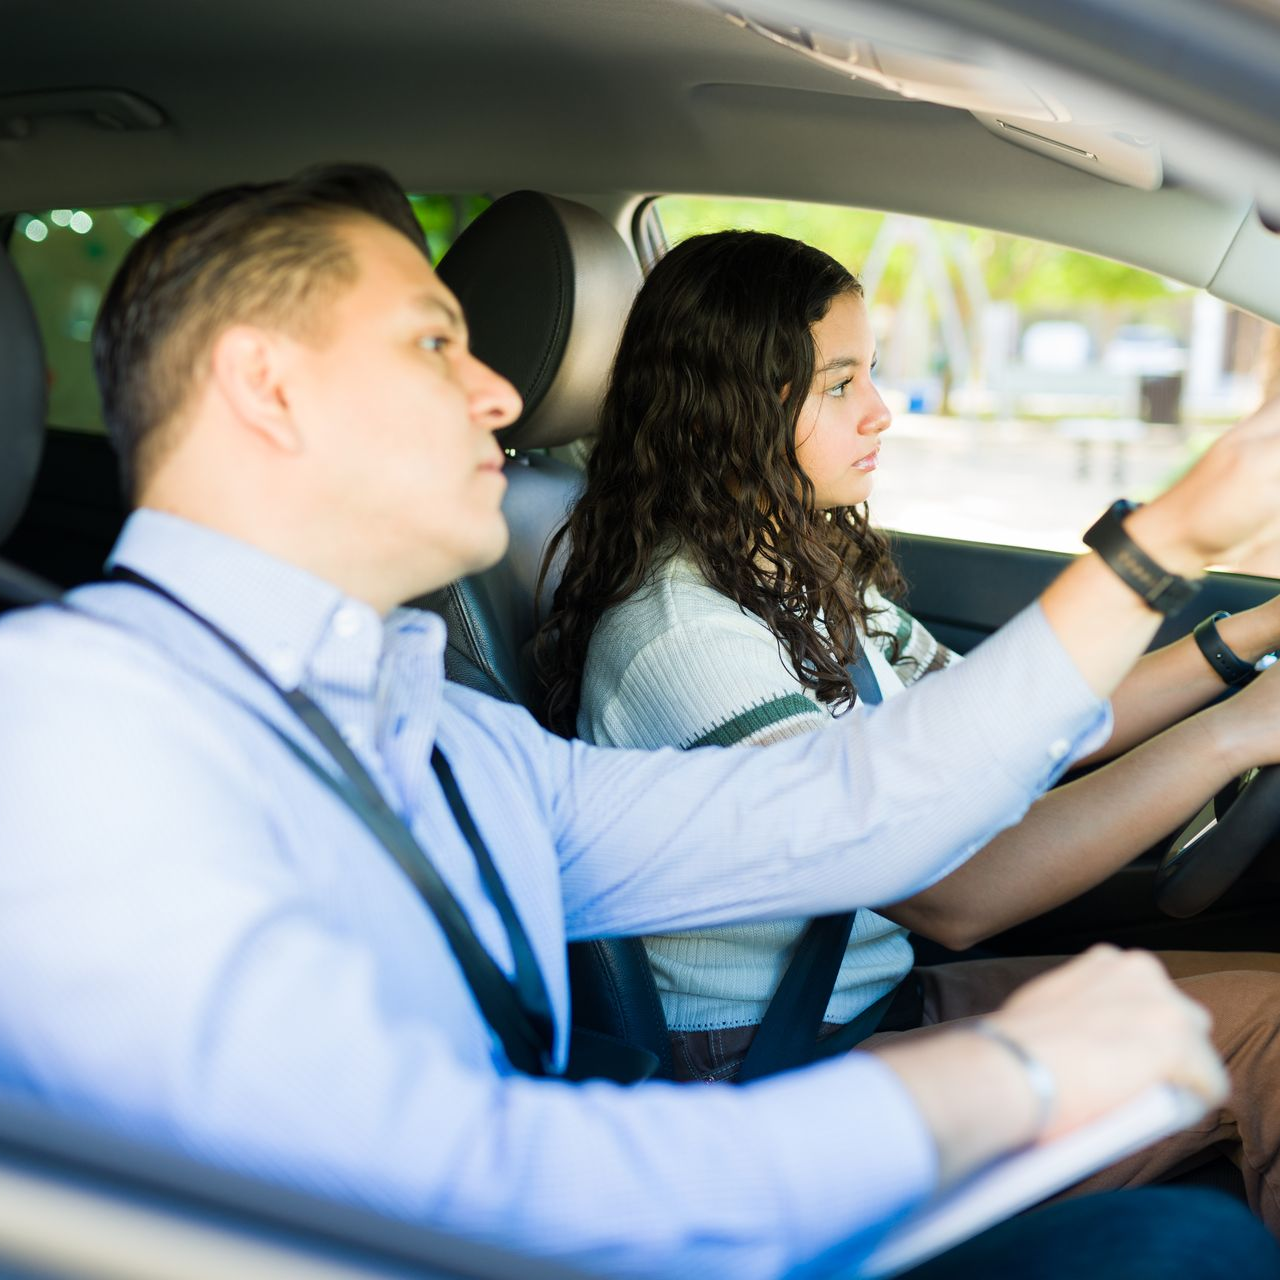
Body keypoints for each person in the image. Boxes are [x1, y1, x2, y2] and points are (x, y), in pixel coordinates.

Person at [0, 166, 1277, 1280]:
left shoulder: (440, 735)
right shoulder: (70, 725)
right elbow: (433, 1190)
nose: (500, 390)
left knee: (1195, 1249)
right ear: (264, 386)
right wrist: (1006, 1076)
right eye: (433, 345)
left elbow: (853, 805)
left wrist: (1173, 543)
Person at [538, 228, 1280, 1228]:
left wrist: (1256, 632)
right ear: (729, 405)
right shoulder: (683, 635)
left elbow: (1025, 724)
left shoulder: (798, 574)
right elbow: (956, 893)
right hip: (772, 1068)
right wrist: (1233, 736)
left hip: (868, 1002)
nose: (880, 410)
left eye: (869, 373)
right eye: (838, 382)